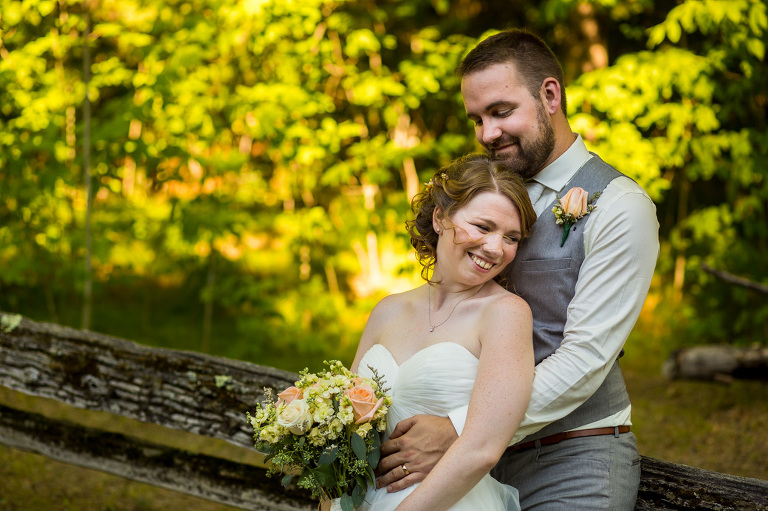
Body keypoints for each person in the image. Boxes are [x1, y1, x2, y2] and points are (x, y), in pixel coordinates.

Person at [374, 29, 660, 510]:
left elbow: (585, 359)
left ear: (550, 95)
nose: (487, 133)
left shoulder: (619, 207)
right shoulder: (491, 191)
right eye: (477, 119)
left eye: (501, 111)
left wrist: (462, 429)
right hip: (466, 462)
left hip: (570, 460)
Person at [351, 153, 537, 510]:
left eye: (511, 238)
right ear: (440, 218)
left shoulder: (506, 315)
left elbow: (482, 449)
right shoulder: (387, 310)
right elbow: (343, 425)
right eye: (483, 227)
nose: (495, 248)